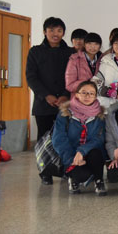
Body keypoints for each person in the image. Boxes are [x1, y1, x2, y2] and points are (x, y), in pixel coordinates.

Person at [26, 17, 73, 152]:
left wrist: (65, 95)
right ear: (44, 32)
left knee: (66, 138)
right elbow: (31, 77)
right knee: (44, 139)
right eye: (51, 30)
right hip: (43, 104)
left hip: (66, 104)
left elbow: (74, 77)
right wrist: (46, 95)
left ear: (63, 33)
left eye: (59, 30)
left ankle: (64, 164)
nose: (55, 34)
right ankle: (44, 165)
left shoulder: (71, 53)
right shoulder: (35, 52)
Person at [51, 80, 107, 195]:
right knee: (81, 175)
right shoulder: (65, 113)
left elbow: (99, 139)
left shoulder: (100, 115)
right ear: (76, 94)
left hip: (89, 153)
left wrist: (82, 151)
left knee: (96, 152)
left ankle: (99, 180)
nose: (87, 96)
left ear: (95, 96)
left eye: (91, 93)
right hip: (71, 154)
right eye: (84, 92)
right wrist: (71, 159)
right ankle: (73, 179)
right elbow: (59, 139)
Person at [94, 31, 118, 109]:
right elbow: (96, 81)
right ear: (112, 45)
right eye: (116, 43)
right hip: (107, 103)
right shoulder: (105, 61)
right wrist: (106, 91)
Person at [65, 31, 102, 97]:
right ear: (84, 45)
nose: (92, 47)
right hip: (79, 99)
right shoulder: (74, 59)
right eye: (89, 43)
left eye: (96, 44)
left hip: (97, 99)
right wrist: (88, 82)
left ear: (100, 46)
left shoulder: (102, 60)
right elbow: (69, 86)